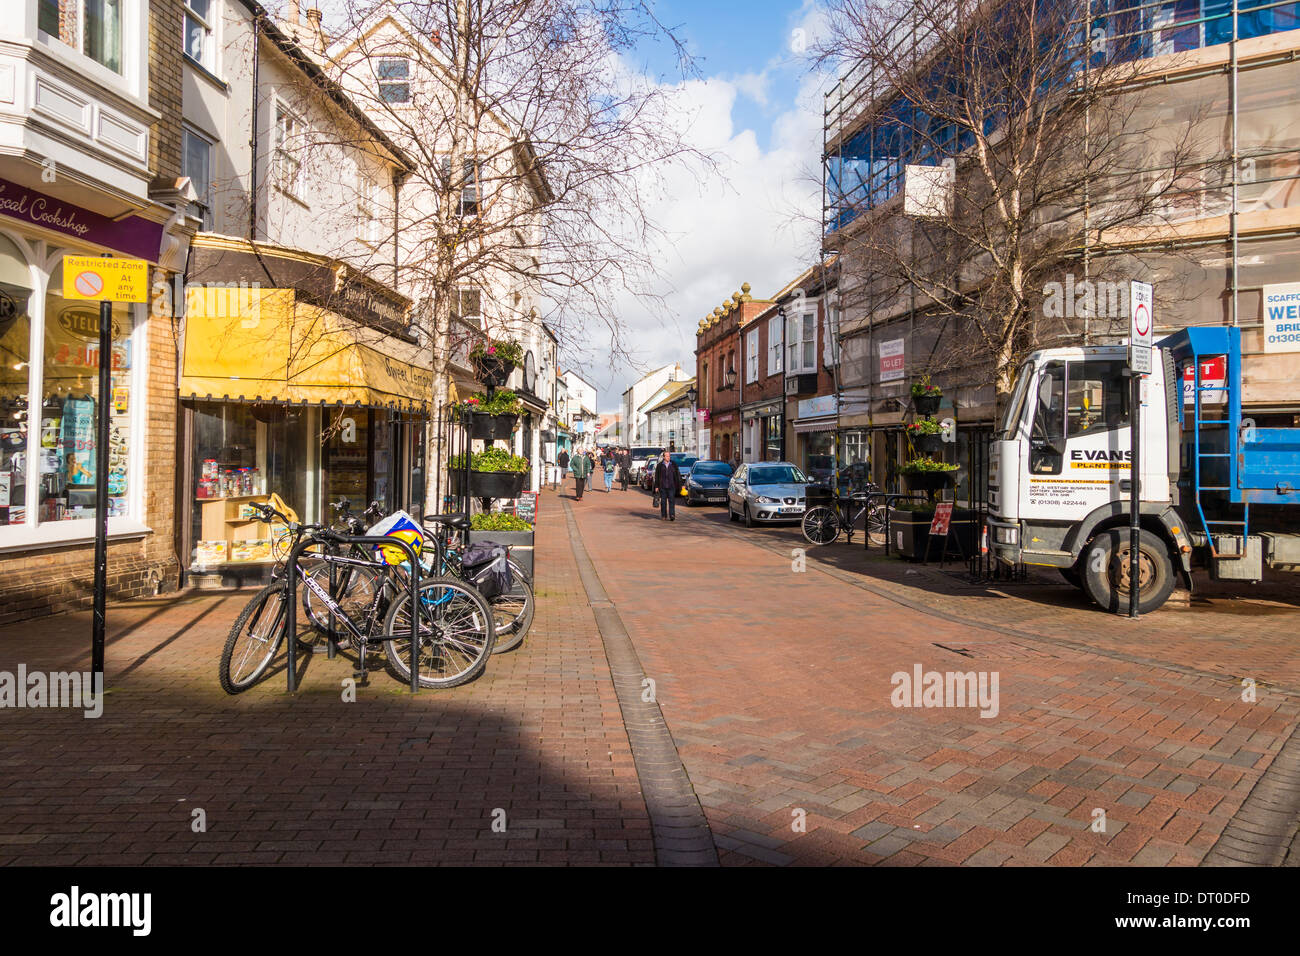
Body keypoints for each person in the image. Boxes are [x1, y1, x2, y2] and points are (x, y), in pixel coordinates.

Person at [652, 449, 682, 521]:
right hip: (662, 487)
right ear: (664, 457)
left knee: (672, 501)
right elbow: (657, 476)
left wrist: (680, 484)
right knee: (663, 502)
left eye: (669, 456)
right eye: (667, 456)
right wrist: (656, 486)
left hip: (671, 486)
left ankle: (672, 515)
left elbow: (678, 475)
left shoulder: (673, 464)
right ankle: (664, 515)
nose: (668, 457)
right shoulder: (659, 465)